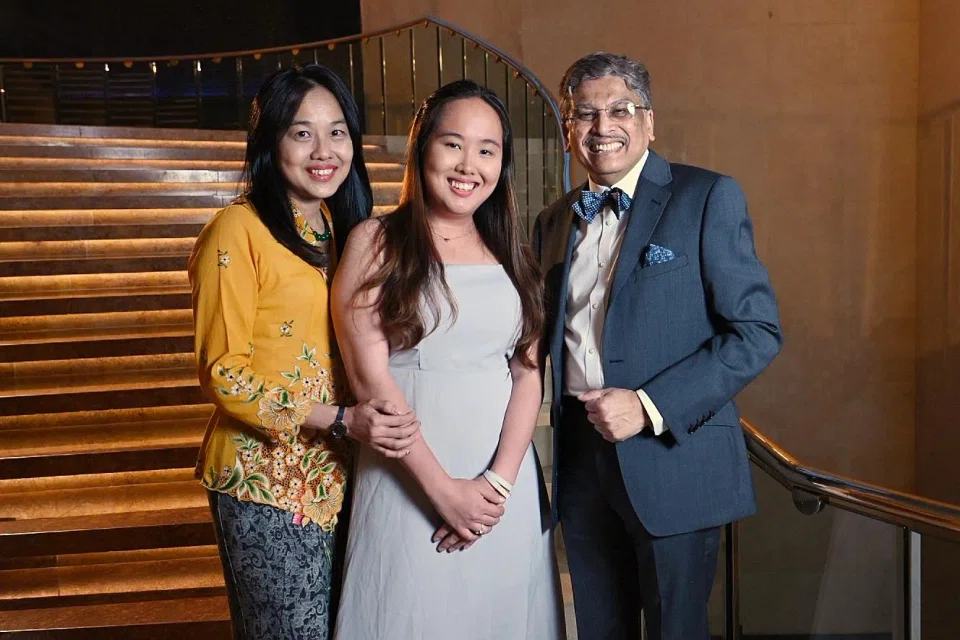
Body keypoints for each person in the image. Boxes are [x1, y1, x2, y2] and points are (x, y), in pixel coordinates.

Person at [534, 53, 783, 639]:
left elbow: (756, 331)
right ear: (569, 129)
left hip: (675, 459)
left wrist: (648, 406)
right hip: (581, 465)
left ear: (650, 123)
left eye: (620, 109)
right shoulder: (552, 221)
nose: (603, 127)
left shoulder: (706, 197)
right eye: (584, 114)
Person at [189, 63, 420, 640]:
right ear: (270, 140)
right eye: (301, 132)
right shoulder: (236, 230)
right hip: (264, 480)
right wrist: (340, 419)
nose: (324, 150)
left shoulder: (349, 231)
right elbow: (225, 375)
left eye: (337, 131)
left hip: (348, 474)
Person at [331, 79, 565, 640]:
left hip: (500, 490)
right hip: (408, 477)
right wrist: (443, 492)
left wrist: (497, 488)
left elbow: (529, 376)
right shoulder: (376, 241)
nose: (469, 165)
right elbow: (371, 380)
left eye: (487, 150)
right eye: (453, 144)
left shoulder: (515, 254)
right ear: (423, 149)